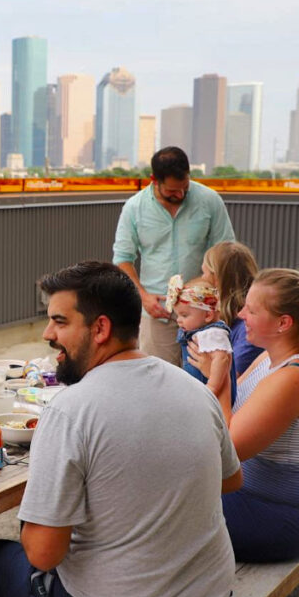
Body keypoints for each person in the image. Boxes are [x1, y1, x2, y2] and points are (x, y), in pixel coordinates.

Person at [0, 261, 242, 597]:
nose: (47, 334)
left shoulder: (69, 411)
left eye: (59, 322)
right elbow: (231, 480)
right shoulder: (195, 389)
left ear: (100, 329)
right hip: (214, 590)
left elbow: (44, 553)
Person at [221, 264, 299, 562]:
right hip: (251, 500)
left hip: (279, 518)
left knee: (156, 512)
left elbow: (226, 450)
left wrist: (218, 376)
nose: (240, 315)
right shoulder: (271, 356)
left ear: (283, 323)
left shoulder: (293, 378)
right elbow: (228, 402)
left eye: (251, 310)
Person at [112, 146, 235, 366]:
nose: (179, 194)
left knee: (203, 380)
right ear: (153, 180)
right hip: (158, 312)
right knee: (158, 380)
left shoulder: (210, 200)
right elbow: (122, 259)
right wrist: (143, 296)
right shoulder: (134, 207)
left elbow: (226, 252)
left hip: (204, 311)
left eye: (184, 188)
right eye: (172, 190)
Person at [167, 275, 235, 415]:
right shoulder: (199, 330)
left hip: (212, 394)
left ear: (208, 315)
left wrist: (212, 388)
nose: (179, 321)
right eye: (178, 315)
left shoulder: (213, 333)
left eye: (184, 315)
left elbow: (221, 359)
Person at [198, 240, 262, 377]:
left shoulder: (248, 328)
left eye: (205, 273)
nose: (201, 279)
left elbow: (231, 379)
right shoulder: (224, 318)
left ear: (217, 279)